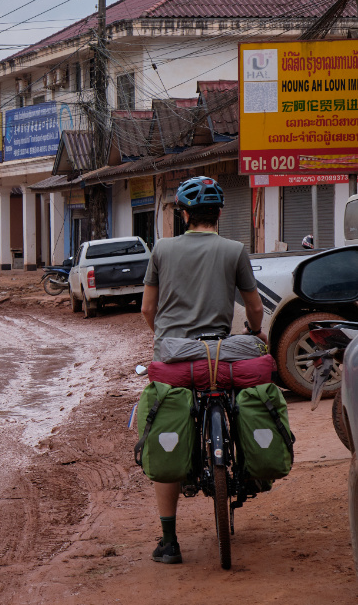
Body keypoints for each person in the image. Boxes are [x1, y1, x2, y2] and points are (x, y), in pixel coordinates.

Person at [140, 175, 265, 565]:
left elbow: (148, 310)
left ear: (184, 213)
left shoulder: (161, 249)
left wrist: (164, 339)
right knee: (242, 400)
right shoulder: (234, 250)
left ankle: (168, 541)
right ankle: (251, 468)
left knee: (169, 428)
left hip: (177, 357)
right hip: (222, 354)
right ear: (219, 213)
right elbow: (255, 308)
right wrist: (254, 331)